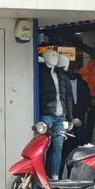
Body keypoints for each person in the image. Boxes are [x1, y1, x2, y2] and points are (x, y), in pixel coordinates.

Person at [38, 49, 72, 181]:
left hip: (61, 116)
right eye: (51, 55)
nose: (54, 58)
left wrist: (69, 118)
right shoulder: (41, 74)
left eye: (55, 55)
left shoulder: (62, 76)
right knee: (43, 146)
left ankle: (55, 176)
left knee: (58, 147)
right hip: (47, 115)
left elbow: (68, 99)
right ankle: (43, 174)